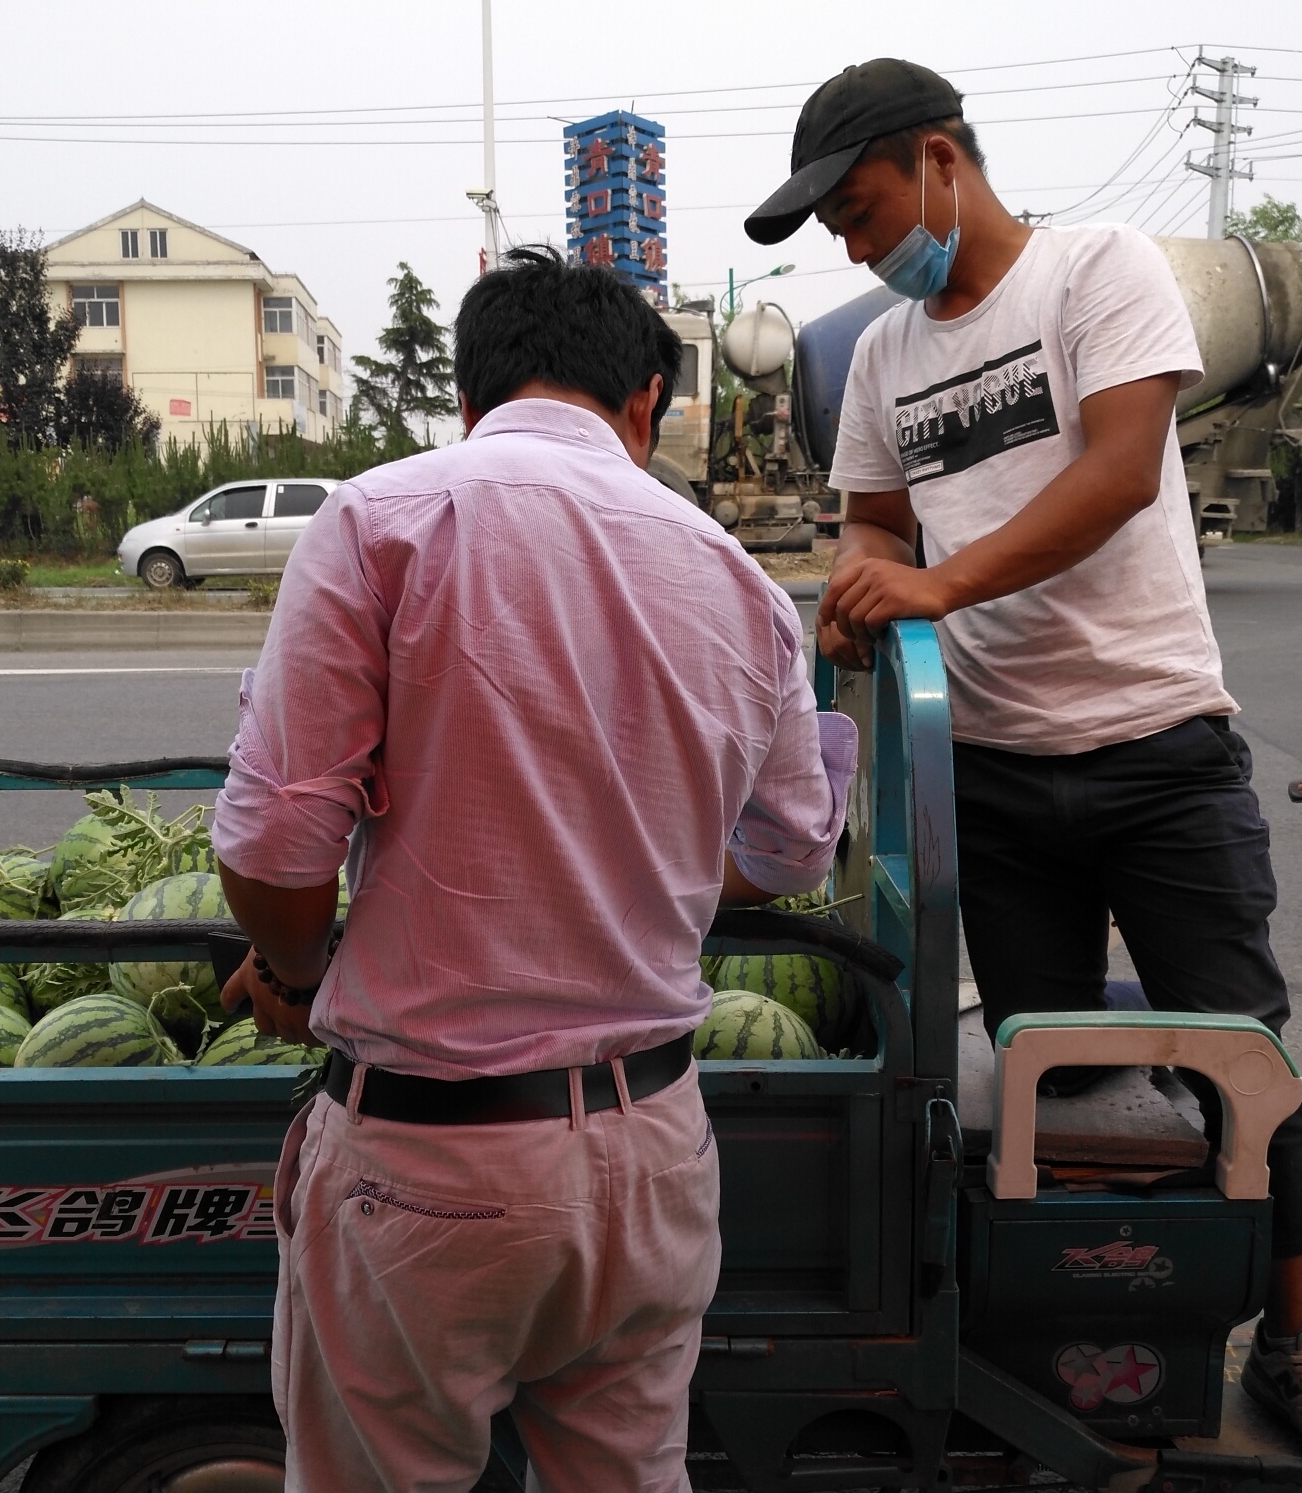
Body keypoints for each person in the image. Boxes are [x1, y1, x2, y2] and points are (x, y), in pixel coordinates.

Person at [743, 58, 1302, 1478]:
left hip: (1159, 747)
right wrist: (859, 588)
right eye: (842, 238)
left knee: (1244, 1058)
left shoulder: (1100, 273)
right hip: (987, 774)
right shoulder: (881, 359)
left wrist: (939, 583)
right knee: (1053, 1084)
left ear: (937, 160)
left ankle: (1292, 1339)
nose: (859, 250)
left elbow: (1113, 473)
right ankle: (1090, 1348)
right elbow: (869, 524)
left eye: (861, 213)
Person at [210, 245, 855, 1493]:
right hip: (655, 1154)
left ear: (468, 399)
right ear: (645, 405)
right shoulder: (743, 585)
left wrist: (297, 964)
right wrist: (633, 875)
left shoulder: (383, 519)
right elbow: (783, 850)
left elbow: (275, 848)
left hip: (433, 1166)